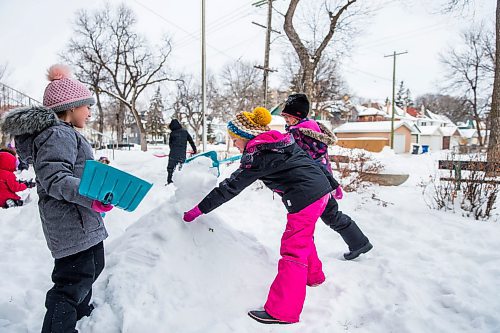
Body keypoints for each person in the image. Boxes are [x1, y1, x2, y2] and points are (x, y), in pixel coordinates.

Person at [183, 107, 339, 324]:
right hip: (320, 191)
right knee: (303, 237)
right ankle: (314, 276)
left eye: (234, 139)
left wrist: (199, 209)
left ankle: (283, 312)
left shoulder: (259, 155)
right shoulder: (278, 140)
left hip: (306, 196)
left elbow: (231, 187)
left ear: (246, 136)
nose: (234, 144)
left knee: (292, 250)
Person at [0, 64, 113, 332]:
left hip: (83, 216)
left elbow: (74, 169)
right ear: (71, 107)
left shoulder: (66, 133)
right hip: (70, 221)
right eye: (87, 105)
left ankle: (81, 312)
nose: (89, 111)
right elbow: (55, 179)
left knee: (93, 265)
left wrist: (98, 176)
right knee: (72, 281)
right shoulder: (57, 134)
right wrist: (91, 195)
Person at [281, 93, 372, 260]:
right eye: (285, 116)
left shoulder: (299, 133)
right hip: (320, 179)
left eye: (288, 116)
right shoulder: (311, 129)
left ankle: (308, 255)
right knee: (330, 215)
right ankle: (359, 242)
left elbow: (292, 154)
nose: (285, 120)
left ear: (297, 116)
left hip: (312, 181)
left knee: (312, 219)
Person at [167, 119, 197, 184]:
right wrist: (194, 150)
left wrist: (173, 149)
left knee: (170, 168)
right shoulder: (185, 132)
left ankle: (169, 181)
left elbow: (170, 144)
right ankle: (182, 182)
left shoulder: (172, 133)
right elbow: (191, 141)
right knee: (182, 167)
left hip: (173, 154)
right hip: (182, 154)